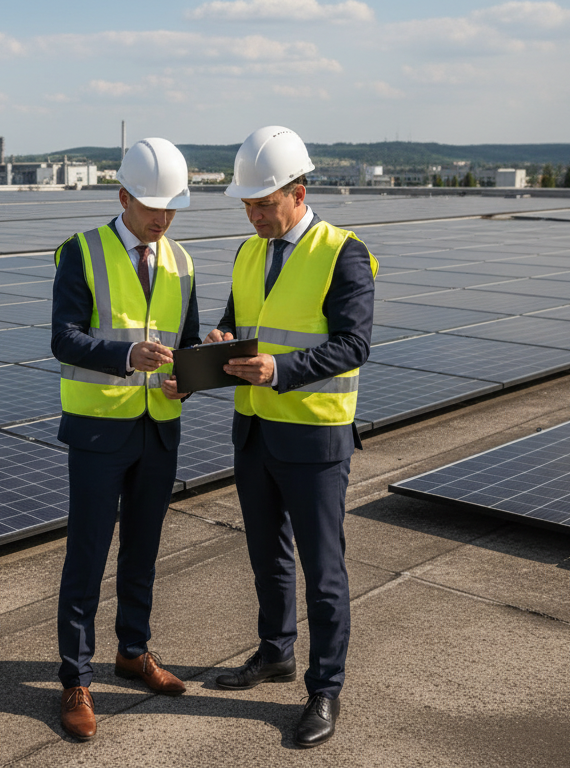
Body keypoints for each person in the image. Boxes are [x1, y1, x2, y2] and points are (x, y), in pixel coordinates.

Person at [206, 126, 377, 748]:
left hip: (312, 439)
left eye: (263, 203)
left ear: (298, 193)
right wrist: (221, 342)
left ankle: (324, 690)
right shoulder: (249, 251)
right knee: (266, 555)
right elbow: (235, 323)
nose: (252, 214)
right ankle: (275, 652)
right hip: (253, 432)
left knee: (323, 570)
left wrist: (279, 369)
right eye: (246, 204)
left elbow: (353, 344)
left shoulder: (343, 252)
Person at [50, 137, 202, 742]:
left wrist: (189, 377)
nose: (163, 218)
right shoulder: (81, 253)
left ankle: (133, 652)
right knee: (87, 555)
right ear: (123, 198)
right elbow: (63, 339)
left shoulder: (183, 261)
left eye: (171, 208)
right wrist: (126, 355)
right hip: (98, 429)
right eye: (152, 207)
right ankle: (75, 677)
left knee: (143, 549)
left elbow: (185, 345)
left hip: (159, 429)